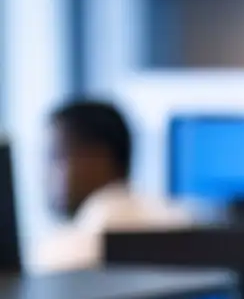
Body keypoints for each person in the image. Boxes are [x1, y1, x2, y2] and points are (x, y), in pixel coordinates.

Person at [33, 100, 191, 271]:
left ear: (98, 160)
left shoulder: (65, 254)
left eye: (55, 157)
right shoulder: (181, 223)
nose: (44, 175)